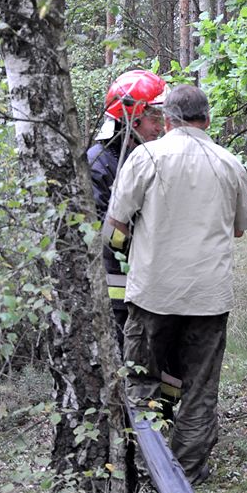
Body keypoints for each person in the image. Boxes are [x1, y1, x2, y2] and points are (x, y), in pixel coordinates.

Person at [107, 84, 247, 484]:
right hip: (208, 296)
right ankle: (187, 471)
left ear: (168, 120)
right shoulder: (230, 163)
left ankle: (140, 464)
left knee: (140, 379)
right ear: (207, 119)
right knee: (200, 387)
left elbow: (115, 225)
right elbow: (240, 230)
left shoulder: (146, 156)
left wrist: (134, 249)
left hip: (153, 291)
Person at [87, 69, 168, 350]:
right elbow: (102, 232)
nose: (160, 127)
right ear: (131, 118)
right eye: (154, 118)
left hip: (150, 282)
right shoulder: (99, 163)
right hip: (118, 286)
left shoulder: (148, 157)